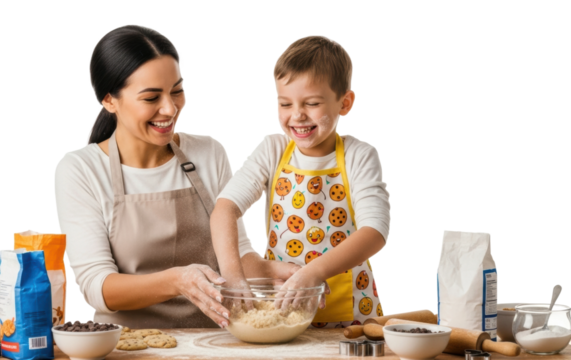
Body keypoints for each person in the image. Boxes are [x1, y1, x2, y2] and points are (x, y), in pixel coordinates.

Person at [53, 23, 300, 329]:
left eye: (177, 91)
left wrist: (266, 270)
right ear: (108, 100)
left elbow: (237, 250)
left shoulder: (209, 151)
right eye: (151, 98)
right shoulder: (81, 168)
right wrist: (177, 281)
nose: (169, 109)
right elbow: (97, 287)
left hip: (215, 340)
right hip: (127, 346)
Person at [210, 33, 391, 329]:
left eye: (312, 103)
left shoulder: (360, 154)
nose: (297, 116)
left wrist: (314, 272)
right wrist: (234, 278)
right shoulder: (273, 148)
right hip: (280, 311)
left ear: (345, 104)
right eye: (285, 103)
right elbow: (224, 210)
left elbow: (375, 232)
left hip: (348, 316)